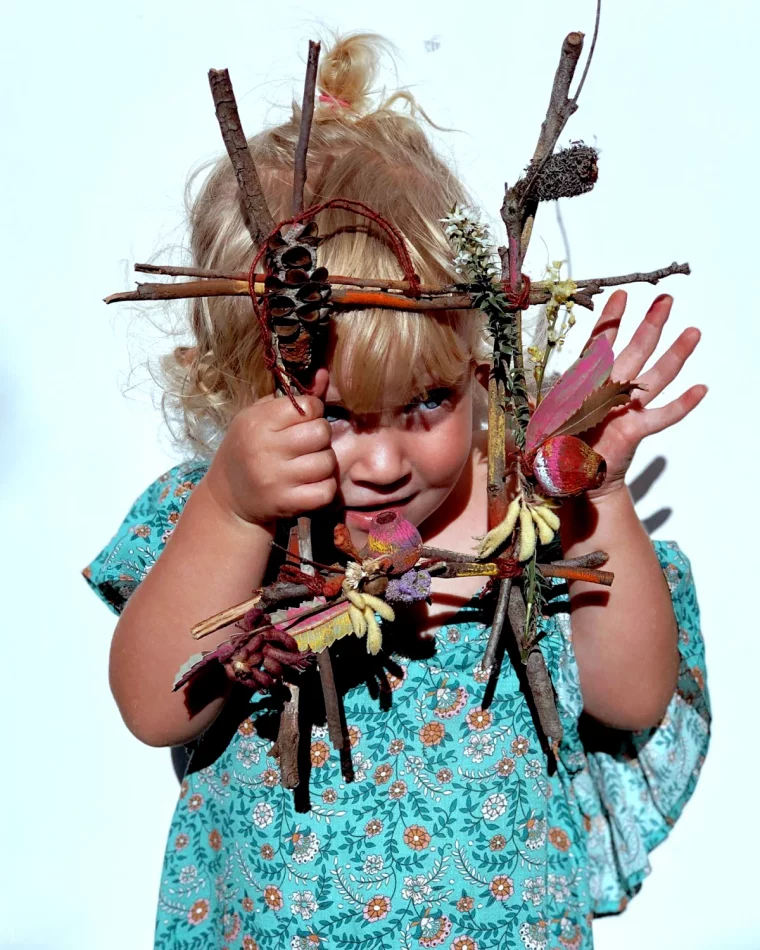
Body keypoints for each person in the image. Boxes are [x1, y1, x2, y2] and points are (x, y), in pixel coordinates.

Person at [84, 33, 710, 950]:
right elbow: (151, 706)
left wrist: (594, 490)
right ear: (242, 392)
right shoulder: (228, 526)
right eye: (337, 416)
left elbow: (630, 700)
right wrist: (229, 511)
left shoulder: (518, 509)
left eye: (426, 400)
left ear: (476, 362)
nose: (381, 464)